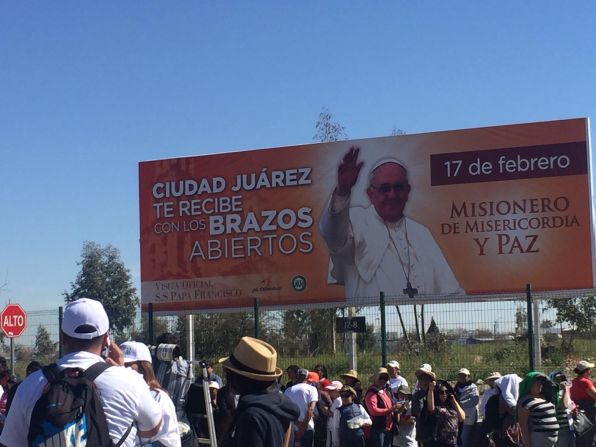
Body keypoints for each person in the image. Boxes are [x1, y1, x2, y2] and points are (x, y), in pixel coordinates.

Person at [0, 298, 162, 447]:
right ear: (106, 338)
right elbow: (153, 429)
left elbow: (11, 442)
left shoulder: (29, 385)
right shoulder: (129, 381)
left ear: (62, 337)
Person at [319, 146, 463, 301]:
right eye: (385, 188)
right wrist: (342, 191)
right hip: (372, 321)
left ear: (407, 191)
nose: (392, 195)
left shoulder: (421, 233)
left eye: (398, 187)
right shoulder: (356, 221)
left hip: (419, 320)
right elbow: (332, 236)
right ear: (370, 194)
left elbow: (451, 291)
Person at [219, 336, 299, 447]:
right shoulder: (282, 408)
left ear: (240, 378)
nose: (226, 377)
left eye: (229, 372)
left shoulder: (251, 417)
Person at [121, 340, 181, 447]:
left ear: (144, 368)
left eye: (128, 364)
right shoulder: (113, 395)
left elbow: (171, 442)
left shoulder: (159, 398)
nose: (122, 368)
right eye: (119, 364)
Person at [518, 371, 559, 447]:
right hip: (538, 438)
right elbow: (523, 425)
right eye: (536, 382)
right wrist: (527, 444)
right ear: (529, 384)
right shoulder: (525, 400)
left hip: (551, 440)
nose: (539, 384)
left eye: (541, 382)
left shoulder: (545, 397)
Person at [364, 367, 401, 447]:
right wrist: (392, 409)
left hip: (386, 428)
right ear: (376, 378)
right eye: (381, 378)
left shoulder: (384, 391)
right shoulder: (372, 393)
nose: (383, 380)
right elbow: (373, 411)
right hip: (377, 429)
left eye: (385, 378)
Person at [284, 368, 319, 447]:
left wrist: (297, 423)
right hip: (307, 427)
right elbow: (311, 409)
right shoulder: (312, 389)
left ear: (296, 376)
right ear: (307, 377)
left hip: (292, 428)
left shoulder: (288, 390)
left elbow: (286, 410)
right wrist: (303, 427)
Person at [427, 380, 466, 447]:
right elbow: (431, 408)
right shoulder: (437, 407)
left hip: (453, 442)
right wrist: (431, 389)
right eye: (442, 392)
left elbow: (462, 418)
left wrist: (454, 401)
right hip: (440, 442)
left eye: (446, 392)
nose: (444, 394)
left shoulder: (452, 407)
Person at [411, 363, 436, 446]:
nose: (424, 381)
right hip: (422, 430)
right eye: (421, 379)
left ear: (431, 380)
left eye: (426, 379)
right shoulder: (416, 396)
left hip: (436, 430)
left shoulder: (437, 393)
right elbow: (415, 414)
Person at [454, 368, 478, 447]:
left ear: (468, 377)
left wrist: (459, 404)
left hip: (468, 417)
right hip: (457, 417)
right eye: (460, 375)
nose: (462, 377)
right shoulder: (456, 388)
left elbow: (475, 400)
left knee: (464, 439)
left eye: (464, 376)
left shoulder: (472, 387)